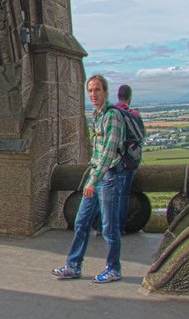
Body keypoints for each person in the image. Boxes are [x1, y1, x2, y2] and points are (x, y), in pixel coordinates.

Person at [52, 74, 128, 284]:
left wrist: (93, 181)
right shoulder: (97, 115)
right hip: (97, 176)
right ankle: (73, 266)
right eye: (90, 91)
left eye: (97, 90)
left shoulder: (112, 116)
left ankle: (114, 268)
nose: (93, 94)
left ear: (105, 92)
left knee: (108, 227)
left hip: (109, 178)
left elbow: (109, 154)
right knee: (81, 221)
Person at [113, 83, 143, 233]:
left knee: (109, 193)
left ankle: (104, 226)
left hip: (111, 159)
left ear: (118, 96)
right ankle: (120, 227)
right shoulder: (134, 114)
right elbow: (141, 135)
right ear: (129, 97)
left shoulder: (110, 113)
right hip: (129, 160)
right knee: (124, 194)